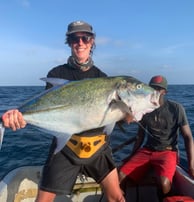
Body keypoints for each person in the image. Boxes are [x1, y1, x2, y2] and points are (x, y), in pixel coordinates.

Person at [2, 21, 126, 202]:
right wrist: (20, 117)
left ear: (92, 42)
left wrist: (127, 115)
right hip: (67, 148)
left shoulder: (102, 78)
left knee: (117, 197)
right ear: (69, 42)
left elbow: (113, 117)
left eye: (85, 38)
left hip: (98, 147)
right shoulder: (57, 73)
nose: (80, 42)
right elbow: (49, 109)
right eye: (75, 38)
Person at [119, 75, 194, 200]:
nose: (156, 92)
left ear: (165, 92)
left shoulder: (176, 108)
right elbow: (140, 135)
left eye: (159, 89)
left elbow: (187, 137)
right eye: (153, 88)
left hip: (168, 151)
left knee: (164, 183)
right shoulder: (144, 108)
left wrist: (191, 164)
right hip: (147, 150)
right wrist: (131, 154)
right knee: (121, 175)